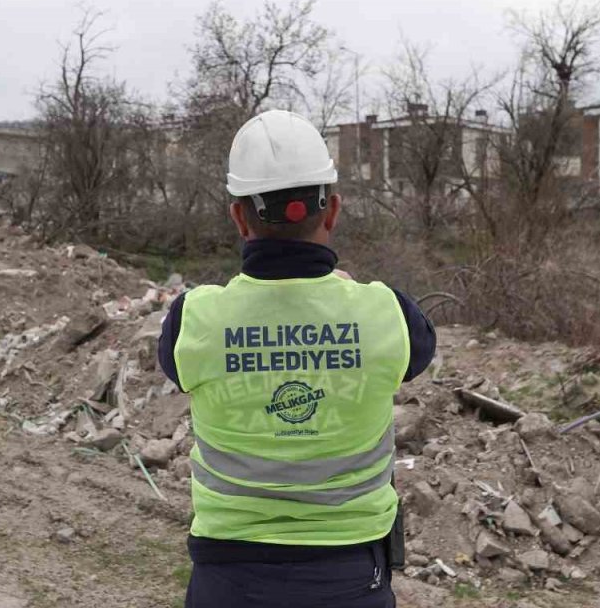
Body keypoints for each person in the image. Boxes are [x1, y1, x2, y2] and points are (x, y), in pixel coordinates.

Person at [157, 110, 436, 608]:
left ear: (238, 217)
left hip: (228, 579)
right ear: (332, 211)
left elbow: (175, 367)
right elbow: (419, 353)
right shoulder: (388, 315)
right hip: (351, 580)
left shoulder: (193, 320)